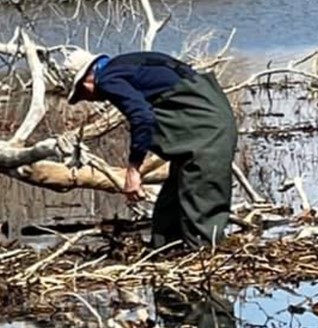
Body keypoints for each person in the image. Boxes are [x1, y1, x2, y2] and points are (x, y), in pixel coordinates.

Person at [64, 49, 238, 250]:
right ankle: (165, 253)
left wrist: (133, 169)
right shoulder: (128, 63)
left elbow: (142, 117)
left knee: (202, 213)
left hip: (206, 133)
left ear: (87, 79)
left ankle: (206, 261)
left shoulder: (107, 79)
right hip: (209, 122)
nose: (88, 99)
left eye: (81, 92)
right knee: (167, 217)